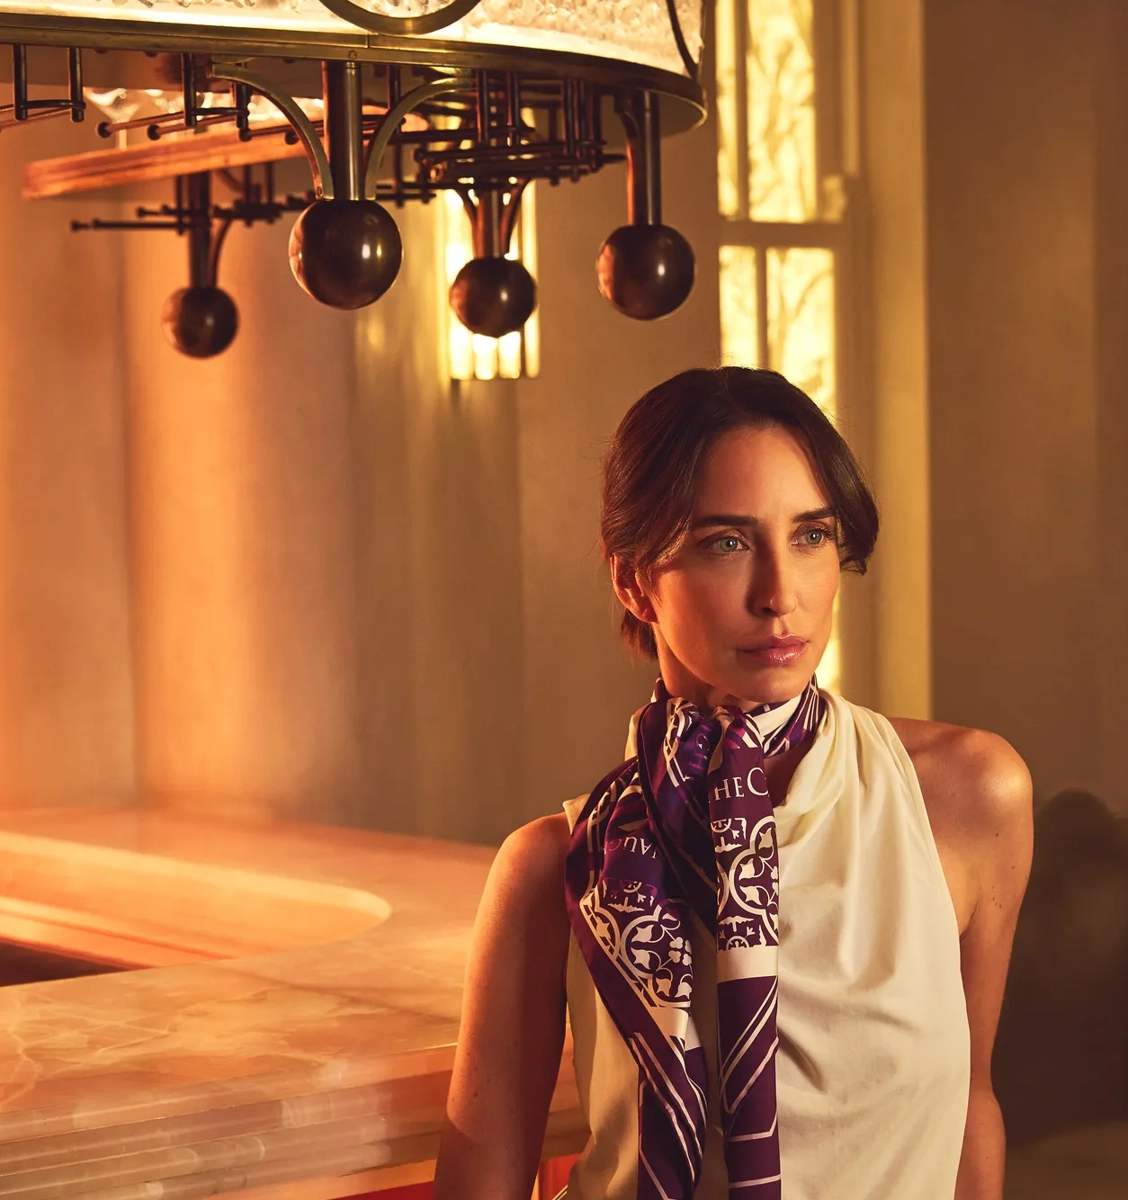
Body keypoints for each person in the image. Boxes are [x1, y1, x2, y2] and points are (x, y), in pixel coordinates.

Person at [432, 366, 1033, 1200]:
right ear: (634, 581)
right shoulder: (556, 866)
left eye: (811, 536)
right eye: (727, 543)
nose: (780, 595)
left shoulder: (966, 797)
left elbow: (968, 1105)